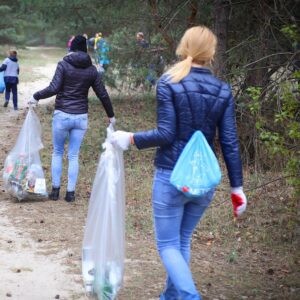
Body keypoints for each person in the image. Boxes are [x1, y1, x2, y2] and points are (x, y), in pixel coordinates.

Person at [111, 26, 247, 299]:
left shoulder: (169, 81)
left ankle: (188, 296)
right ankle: (171, 297)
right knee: (181, 240)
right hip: (204, 182)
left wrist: (131, 139)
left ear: (185, 46)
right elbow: (230, 142)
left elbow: (166, 134)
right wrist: (237, 188)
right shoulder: (222, 89)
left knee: (168, 244)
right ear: (211, 52)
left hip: (171, 176)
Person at [28, 35, 116, 203]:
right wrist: (111, 115)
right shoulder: (92, 70)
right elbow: (102, 94)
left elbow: (54, 88)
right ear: (85, 49)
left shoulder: (64, 65)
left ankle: (55, 192)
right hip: (80, 117)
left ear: (71, 48)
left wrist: (36, 96)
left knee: (58, 152)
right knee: (73, 155)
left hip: (62, 115)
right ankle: (70, 193)